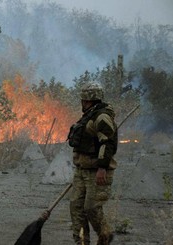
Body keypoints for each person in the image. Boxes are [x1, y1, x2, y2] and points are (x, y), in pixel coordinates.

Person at [67, 82, 118, 245]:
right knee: (76, 208)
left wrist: (102, 168)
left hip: (96, 171)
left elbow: (108, 143)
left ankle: (105, 236)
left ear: (89, 99)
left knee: (91, 208)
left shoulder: (101, 117)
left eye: (83, 99)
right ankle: (81, 242)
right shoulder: (89, 115)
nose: (82, 102)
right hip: (82, 170)